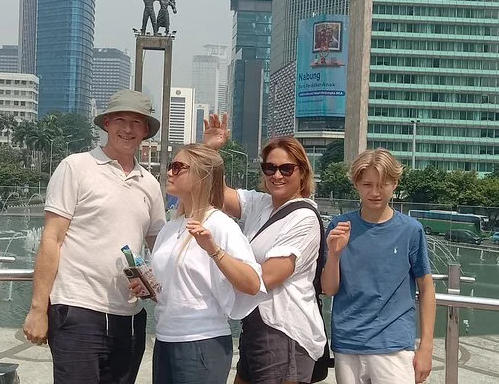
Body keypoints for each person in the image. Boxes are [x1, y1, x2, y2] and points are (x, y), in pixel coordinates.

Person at [22, 89, 167, 384]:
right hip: (78, 310)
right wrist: (38, 308)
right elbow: (52, 239)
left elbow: (160, 247)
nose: (128, 129)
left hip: (129, 315)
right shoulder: (76, 167)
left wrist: (152, 284)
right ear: (107, 124)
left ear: (145, 131)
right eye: (120, 120)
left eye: (136, 123)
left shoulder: (149, 183)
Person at [203, 114, 327, 384]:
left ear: (302, 172)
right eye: (269, 168)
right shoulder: (261, 204)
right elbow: (216, 194)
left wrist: (217, 255)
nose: (277, 175)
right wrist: (211, 151)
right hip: (256, 325)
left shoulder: (304, 218)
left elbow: (266, 278)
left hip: (285, 330)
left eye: (286, 169)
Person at [146, 143, 264, 384]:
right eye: (170, 166)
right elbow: (175, 289)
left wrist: (213, 249)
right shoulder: (170, 228)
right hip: (166, 338)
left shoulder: (220, 224)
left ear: (201, 176)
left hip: (202, 341)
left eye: (178, 167)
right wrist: (147, 287)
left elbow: (252, 283)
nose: (169, 172)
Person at [321, 148, 435, 384]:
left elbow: (426, 288)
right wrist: (334, 254)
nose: (374, 192)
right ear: (356, 184)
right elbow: (329, 289)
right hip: (348, 342)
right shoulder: (339, 227)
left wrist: (426, 347)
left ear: (395, 184)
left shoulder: (411, 230)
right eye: (367, 184)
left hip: (394, 344)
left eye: (383, 184)